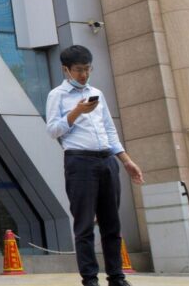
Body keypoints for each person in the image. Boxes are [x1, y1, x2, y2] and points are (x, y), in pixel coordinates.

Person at [46, 45, 143, 286]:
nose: (84, 75)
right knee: (85, 224)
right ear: (65, 69)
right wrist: (76, 112)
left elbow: (109, 130)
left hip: (107, 161)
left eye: (87, 69)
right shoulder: (57, 95)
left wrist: (126, 160)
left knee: (112, 224)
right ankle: (90, 280)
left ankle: (117, 278)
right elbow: (52, 131)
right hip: (79, 162)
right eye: (78, 70)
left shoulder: (97, 92)